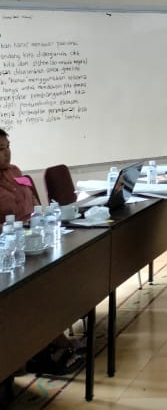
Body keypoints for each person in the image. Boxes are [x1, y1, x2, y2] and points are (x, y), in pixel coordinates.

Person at [0, 128, 84, 376]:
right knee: (35, 288)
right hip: (9, 249)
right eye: (1, 149)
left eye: (8, 146)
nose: (7, 153)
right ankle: (48, 348)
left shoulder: (15, 172)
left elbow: (34, 203)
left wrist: (40, 219)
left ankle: (50, 342)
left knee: (57, 276)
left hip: (33, 240)